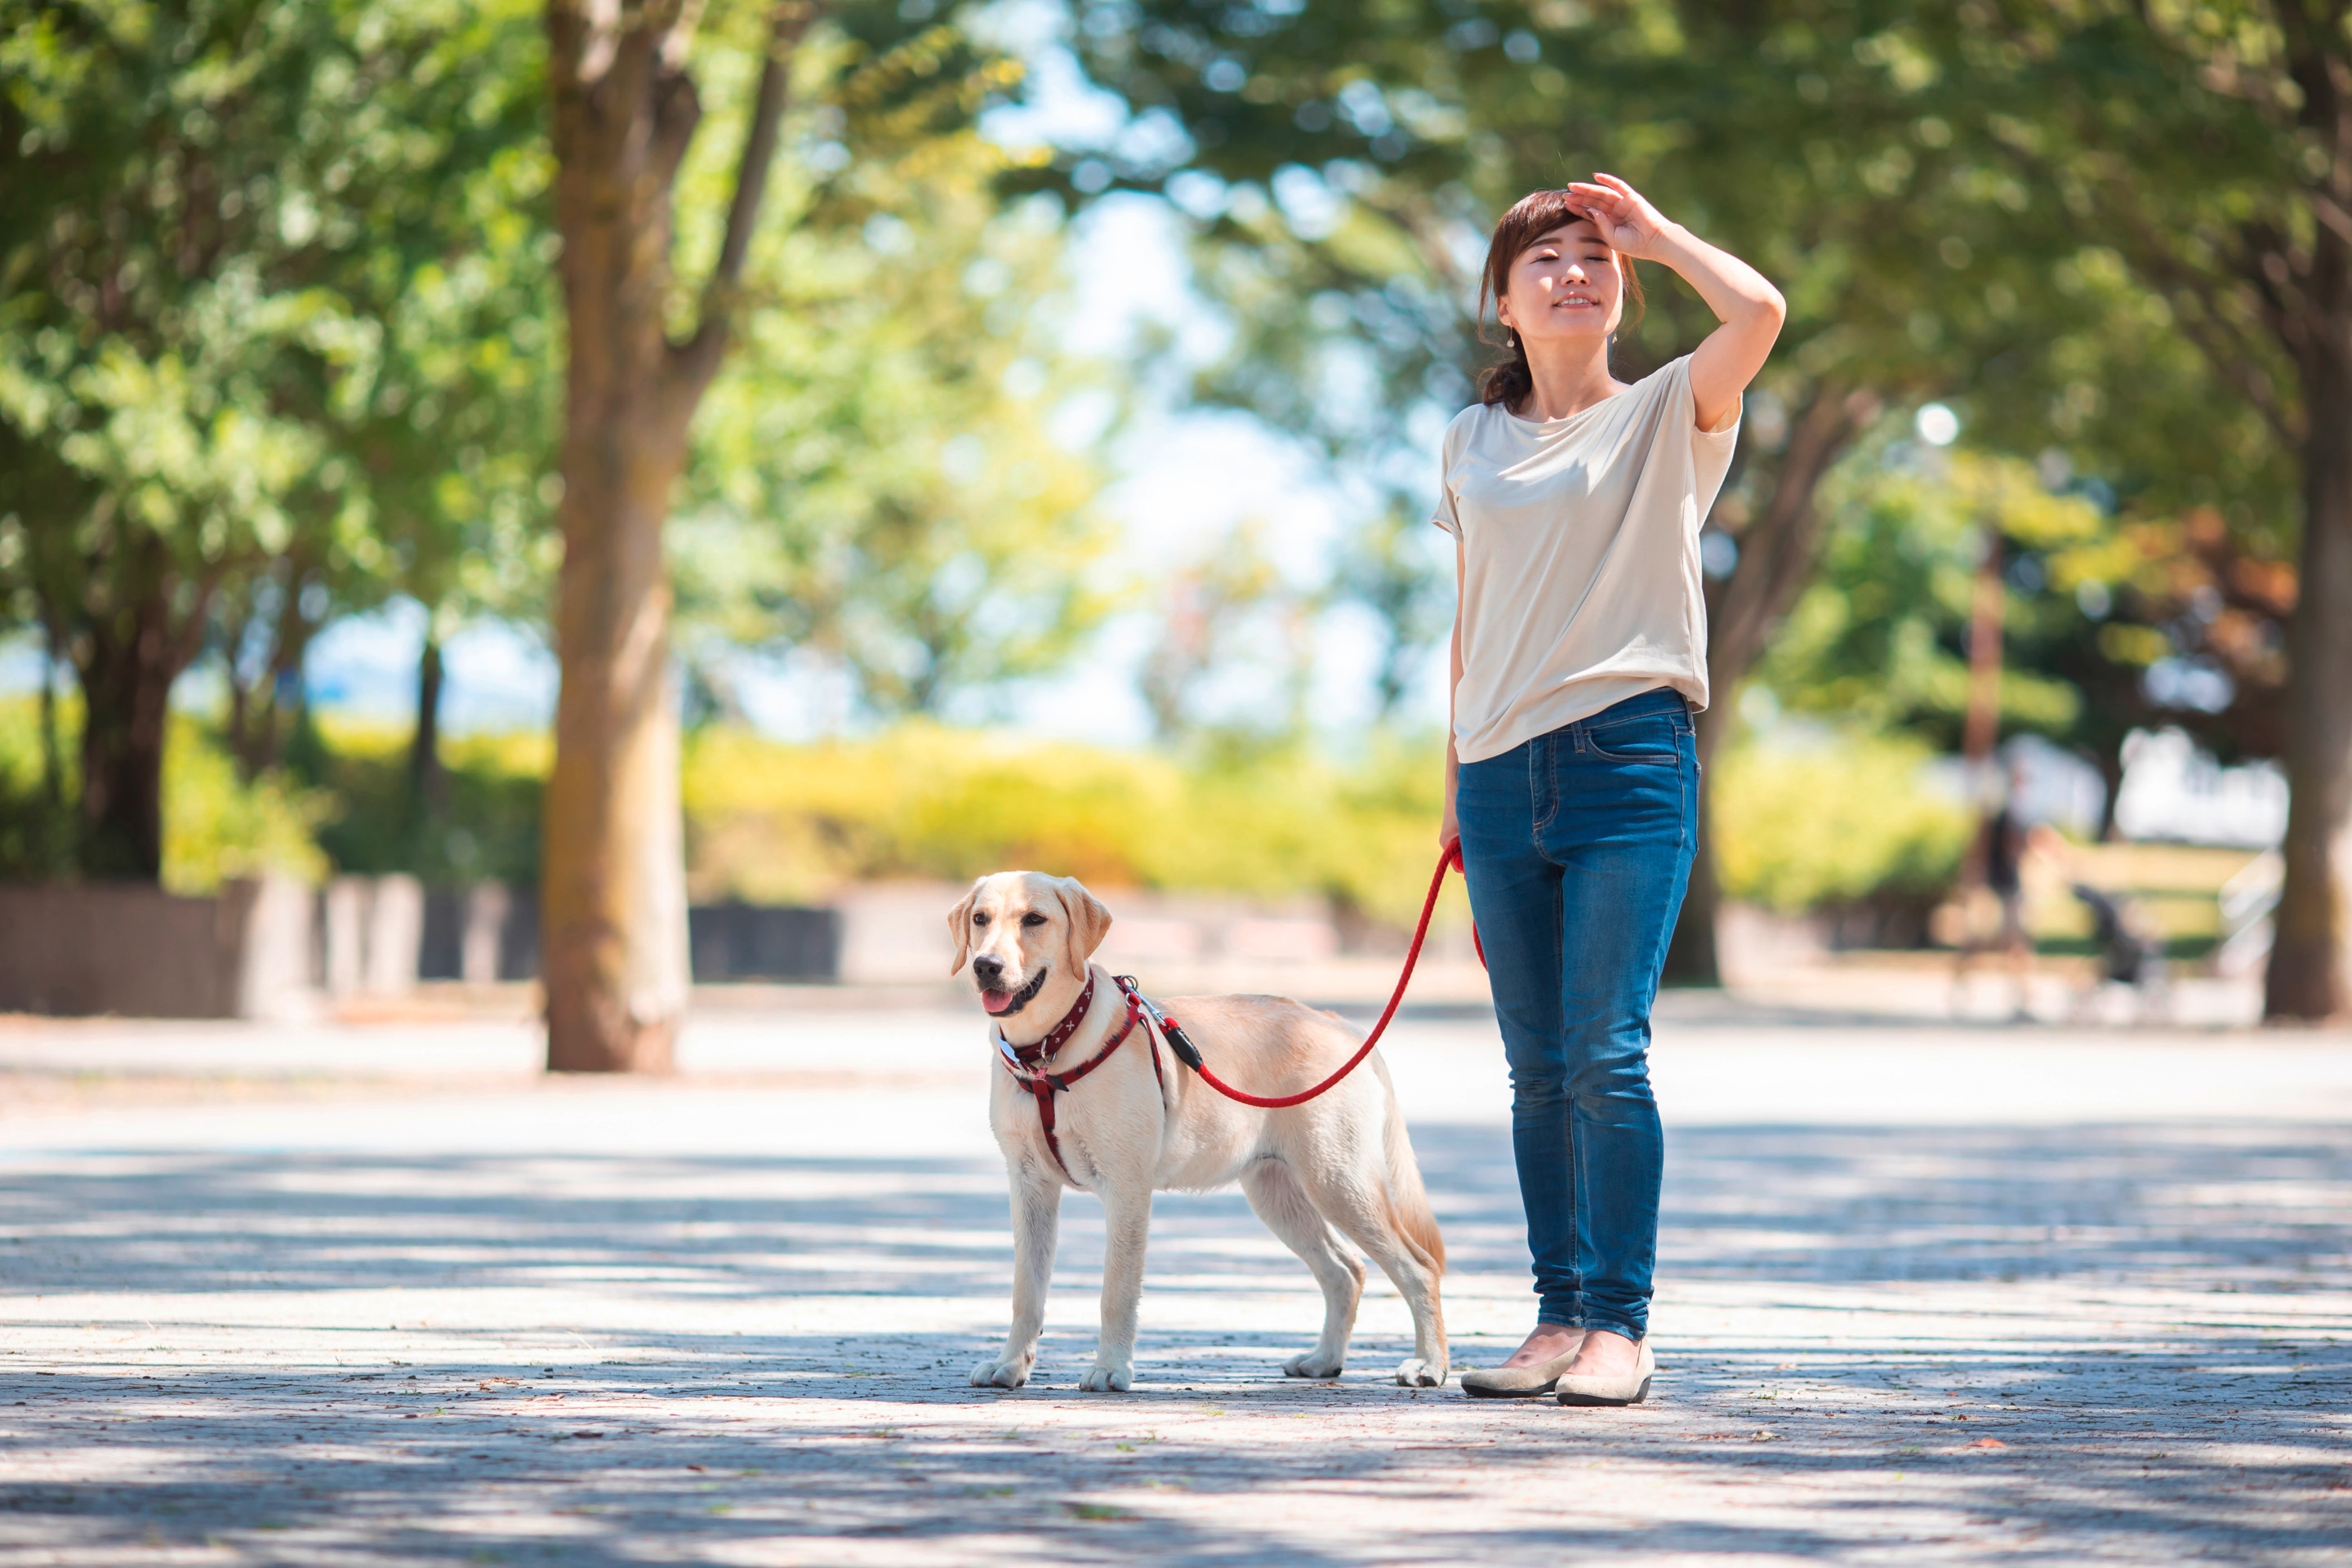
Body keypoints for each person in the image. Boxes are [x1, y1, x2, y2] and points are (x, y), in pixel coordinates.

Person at [1433, 177, 1783, 1404]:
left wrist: (1660, 234)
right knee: (1535, 1066)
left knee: (1604, 1054)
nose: (1574, 273)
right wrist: (1453, 786)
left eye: (1594, 258)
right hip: (1494, 770)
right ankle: (1555, 1315)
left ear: (1621, 289)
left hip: (1628, 756)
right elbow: (1471, 617)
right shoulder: (1469, 441)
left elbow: (1761, 309)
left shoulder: (1667, 413)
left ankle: (1621, 1327)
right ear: (1504, 296)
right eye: (1548, 259)